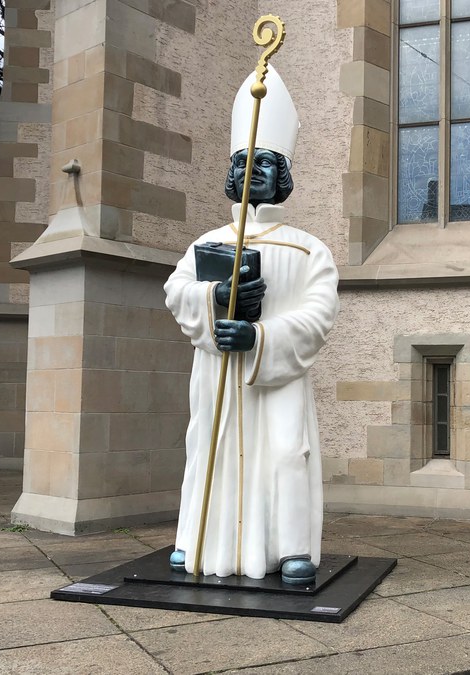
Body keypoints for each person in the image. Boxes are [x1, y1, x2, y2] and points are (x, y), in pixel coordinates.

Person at [163, 66, 339, 584]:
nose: (251, 172)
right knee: (208, 445)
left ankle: (291, 550)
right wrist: (216, 297)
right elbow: (176, 291)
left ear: (283, 174)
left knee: (286, 453)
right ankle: (194, 538)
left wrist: (260, 337)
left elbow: (319, 314)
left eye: (264, 162)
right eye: (242, 162)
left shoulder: (310, 249)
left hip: (275, 375)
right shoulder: (207, 243)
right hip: (218, 372)